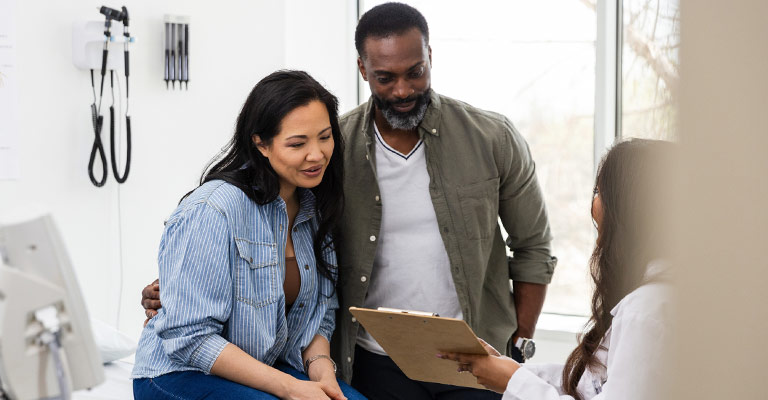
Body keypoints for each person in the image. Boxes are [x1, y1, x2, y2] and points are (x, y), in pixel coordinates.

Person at [143, 3, 556, 399]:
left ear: (430, 56)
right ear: (363, 69)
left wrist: (519, 342)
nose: (403, 90)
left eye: (415, 72)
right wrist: (180, 290)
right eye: (385, 77)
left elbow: (533, 247)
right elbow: (229, 250)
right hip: (374, 357)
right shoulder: (333, 150)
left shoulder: (491, 137)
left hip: (474, 355)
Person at [131, 70, 365, 400]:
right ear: (261, 144)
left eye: (325, 137)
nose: (317, 154)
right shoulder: (212, 209)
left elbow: (318, 318)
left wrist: (323, 374)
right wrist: (291, 388)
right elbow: (189, 336)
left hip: (263, 370)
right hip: (180, 373)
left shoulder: (315, 208)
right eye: (298, 143)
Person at [438, 139, 675, 400]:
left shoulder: (644, 311)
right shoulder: (656, 297)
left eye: (599, 192)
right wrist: (509, 370)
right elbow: (593, 382)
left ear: (628, 209)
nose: (593, 205)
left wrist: (512, 381)